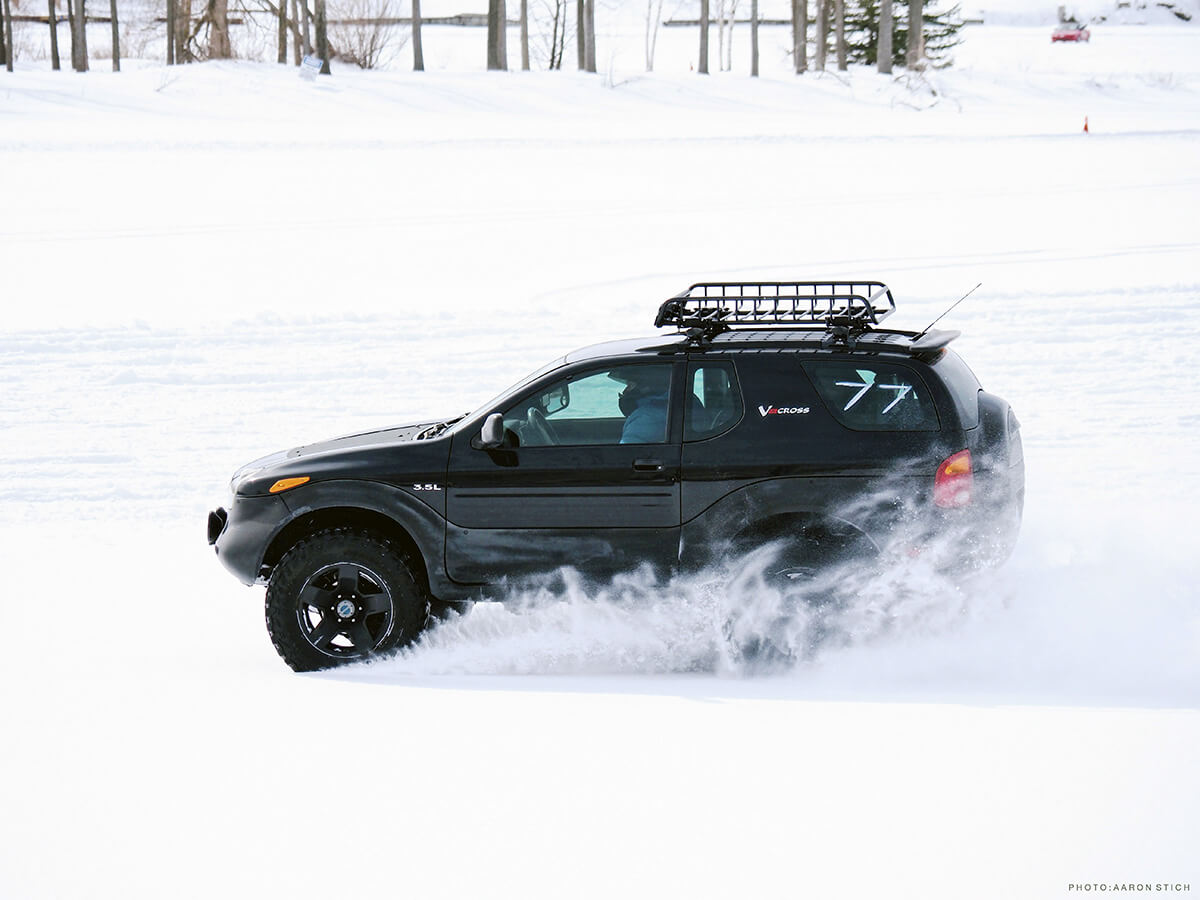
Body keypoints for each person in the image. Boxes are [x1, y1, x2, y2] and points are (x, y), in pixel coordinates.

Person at [613, 367, 671, 444]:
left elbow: (625, 453)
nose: (624, 391)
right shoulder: (666, 408)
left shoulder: (645, 419)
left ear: (645, 388)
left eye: (630, 385)